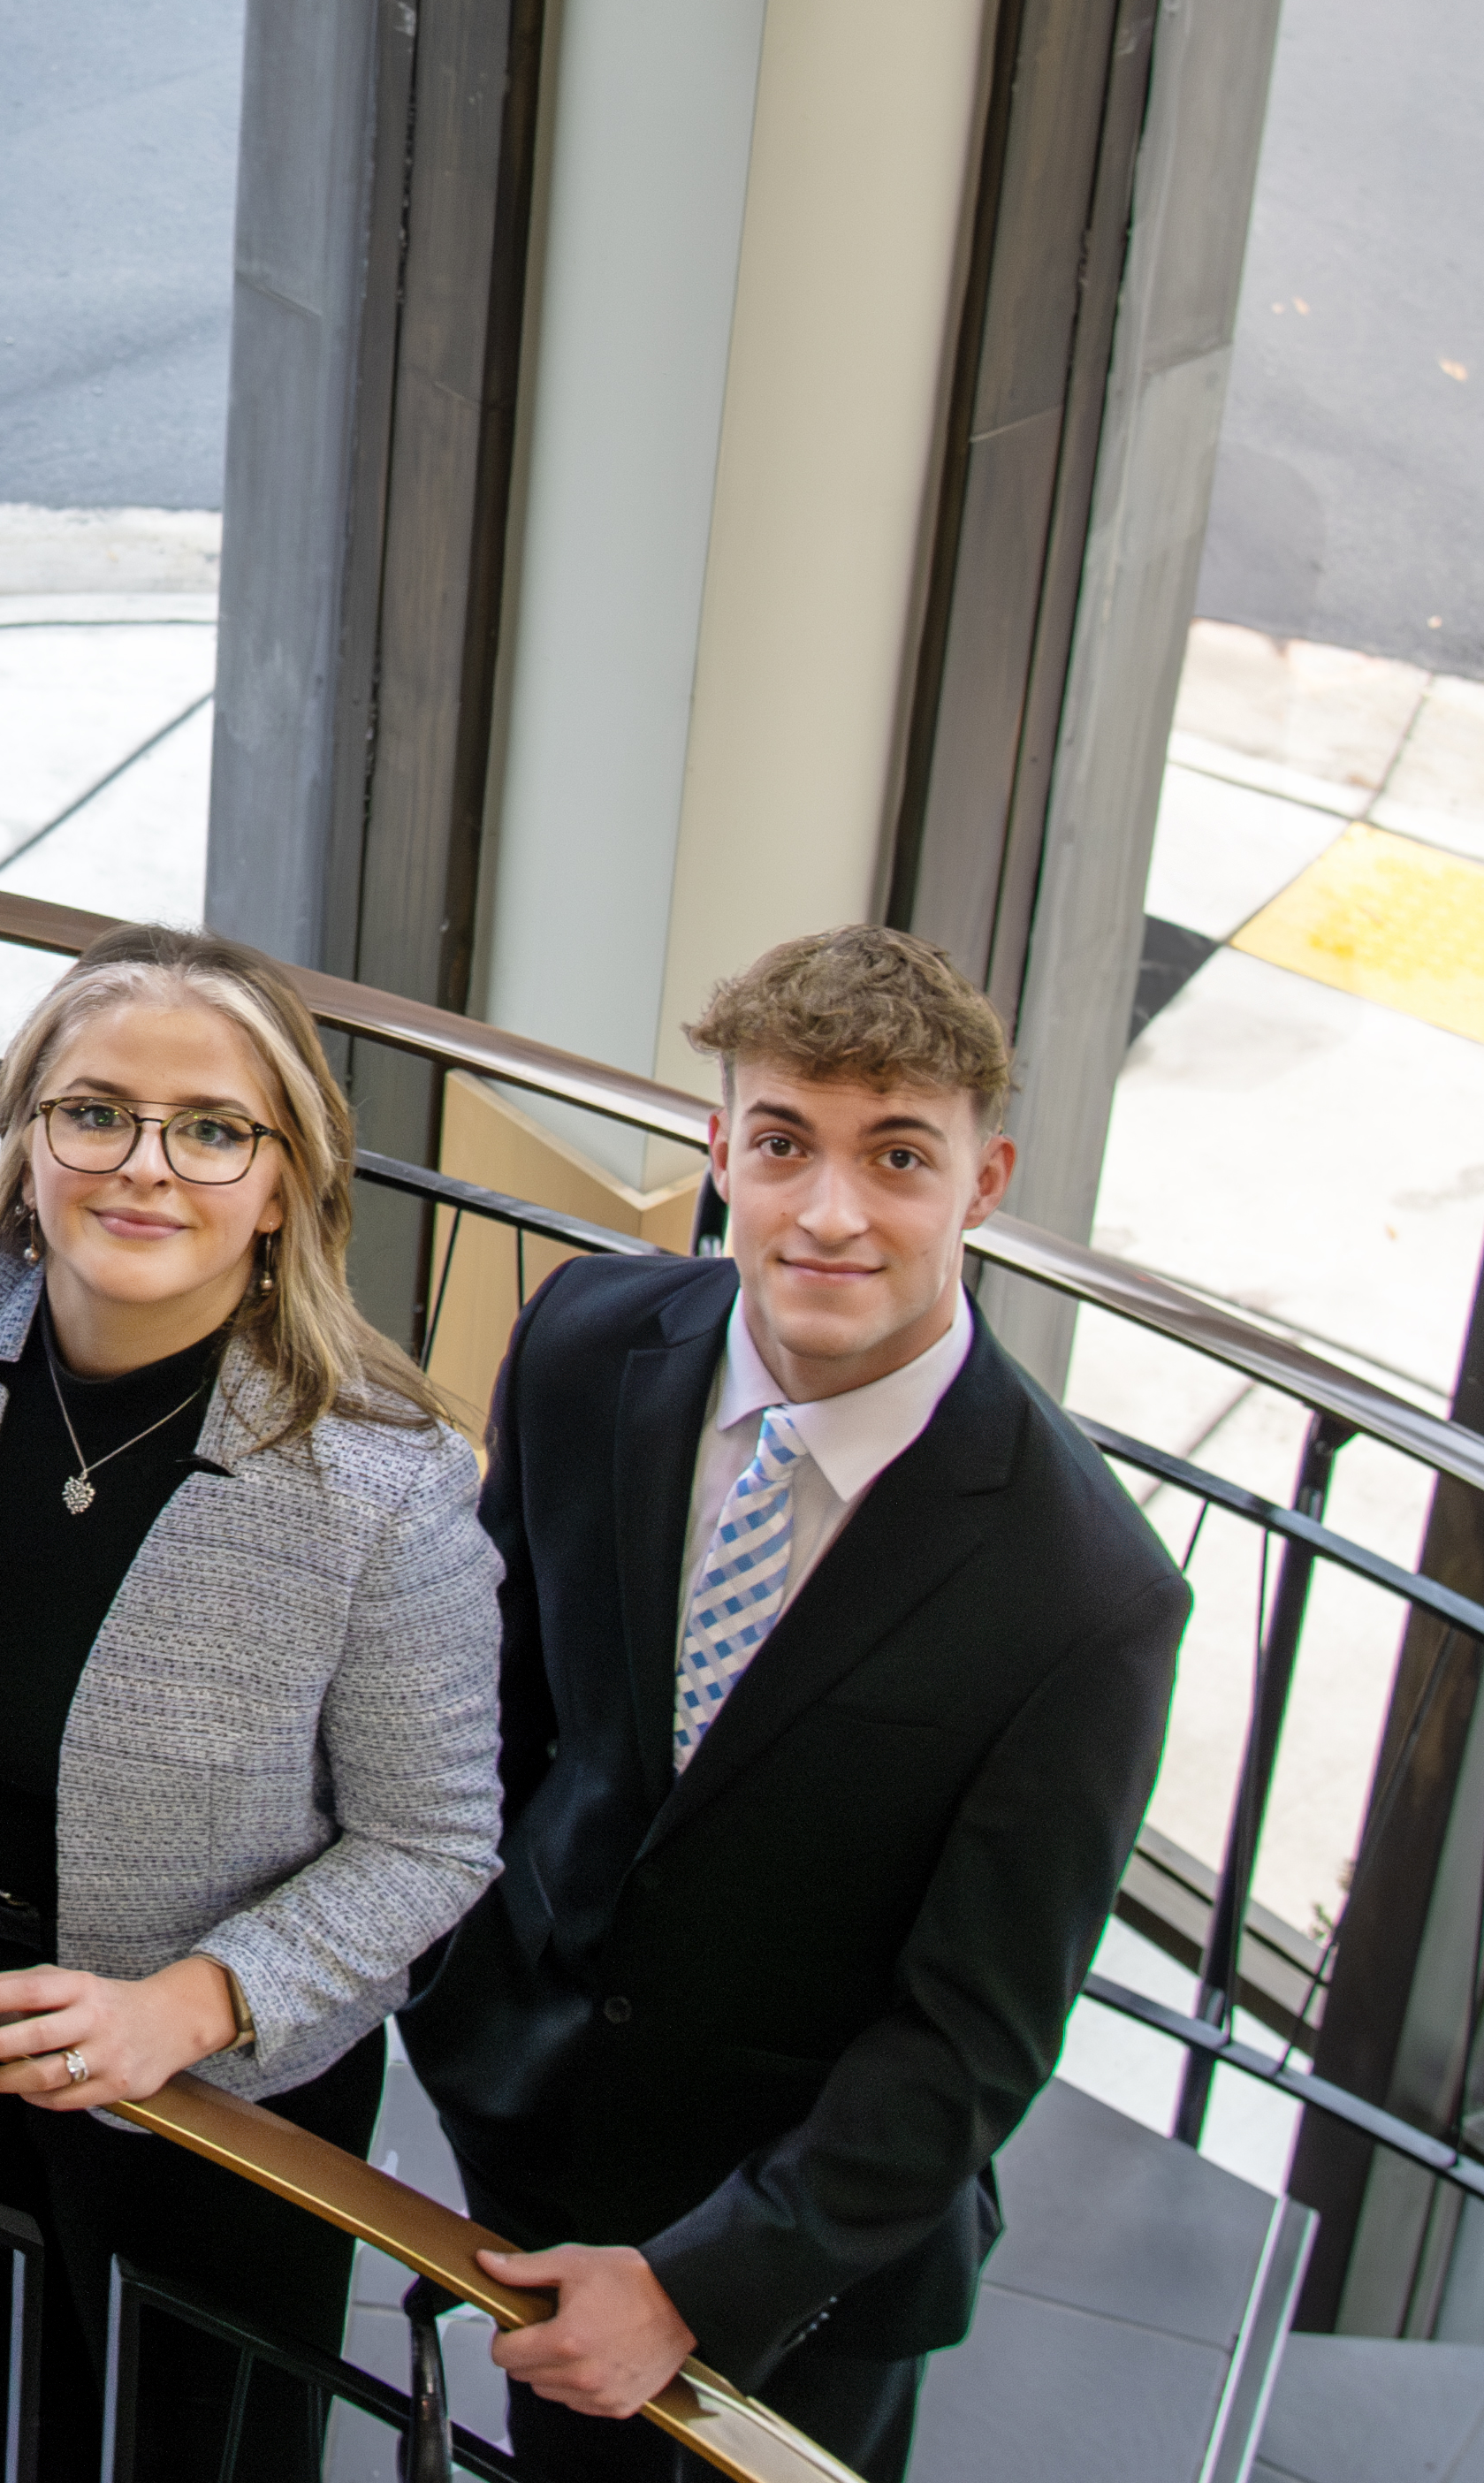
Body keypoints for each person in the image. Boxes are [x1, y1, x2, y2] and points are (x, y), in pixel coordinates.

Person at [400, 926, 1190, 2482]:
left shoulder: (1087, 1594)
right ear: (720, 1149)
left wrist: (699, 2283)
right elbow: (486, 1715)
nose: (830, 1211)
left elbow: (971, 2038)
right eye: (783, 1143)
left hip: (810, 2264)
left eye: (897, 1155)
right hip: (533, 2132)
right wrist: (458, 1986)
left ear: (984, 1179)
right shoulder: (582, 1344)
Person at [0, 924, 502, 2483]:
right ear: (24, 1138)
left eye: (212, 1130)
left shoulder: (386, 1482)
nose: (146, 1166)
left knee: (188, 2456)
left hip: (218, 2094)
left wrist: (187, 2008)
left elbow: (435, 1843)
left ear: (286, 1182)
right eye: (96, 1111)